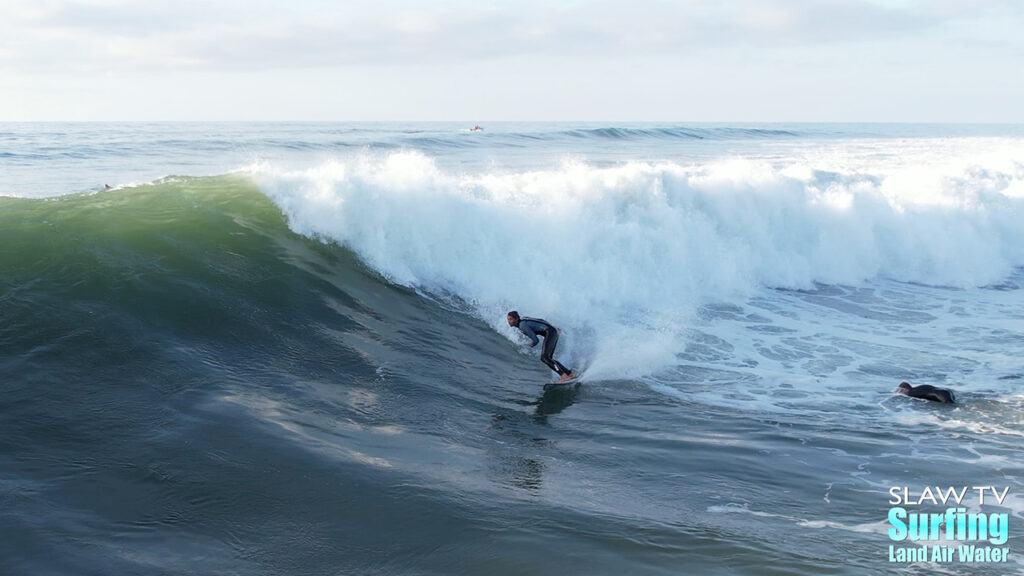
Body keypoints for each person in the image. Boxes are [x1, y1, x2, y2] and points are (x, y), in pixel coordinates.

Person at [507, 311, 576, 382]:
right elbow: (541, 320)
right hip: (552, 331)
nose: (509, 321)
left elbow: (536, 340)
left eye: (511, 319)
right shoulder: (524, 319)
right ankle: (570, 374)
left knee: (544, 358)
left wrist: (531, 345)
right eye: (508, 319)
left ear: (516, 319)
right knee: (549, 359)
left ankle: (564, 376)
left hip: (550, 332)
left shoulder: (522, 325)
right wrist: (553, 327)